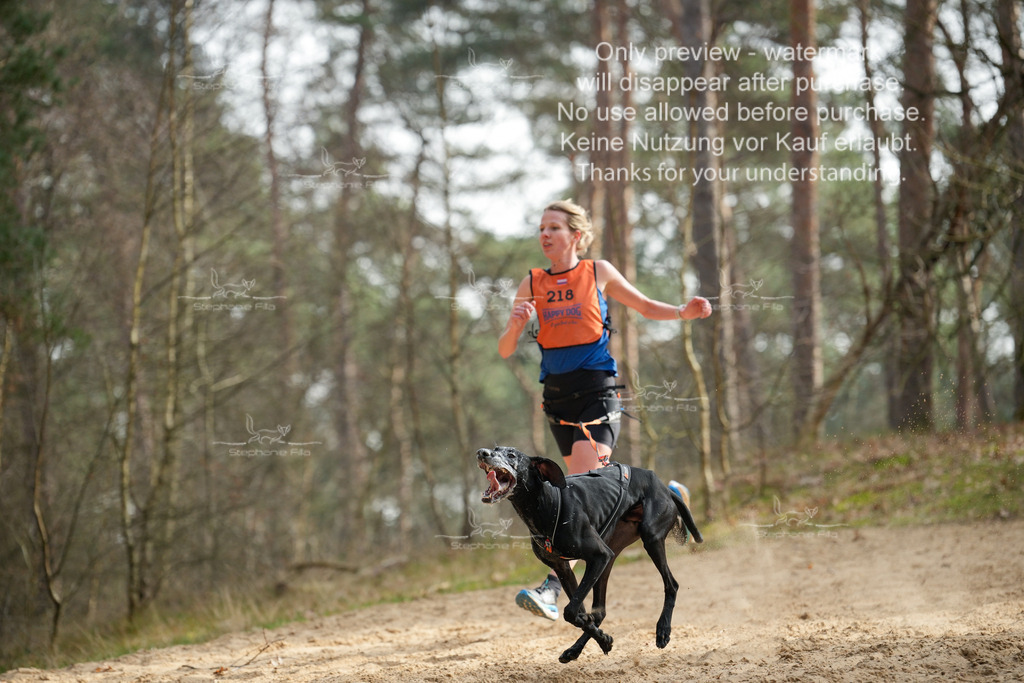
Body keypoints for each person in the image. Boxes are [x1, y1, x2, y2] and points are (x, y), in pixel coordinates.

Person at [498, 199, 712, 620]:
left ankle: (551, 589)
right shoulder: (532, 282)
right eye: (541, 228)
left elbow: (645, 306)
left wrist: (682, 313)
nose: (545, 235)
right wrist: (516, 325)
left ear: (575, 235)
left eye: (554, 227)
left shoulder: (598, 271)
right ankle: (668, 498)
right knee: (586, 489)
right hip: (557, 399)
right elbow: (505, 349)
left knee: (576, 490)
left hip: (597, 390)